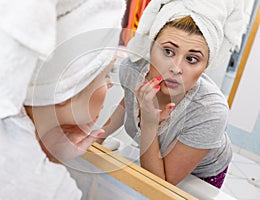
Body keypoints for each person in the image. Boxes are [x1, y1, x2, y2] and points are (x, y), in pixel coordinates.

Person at [0, 0, 125, 199]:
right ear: (69, 86)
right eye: (107, 73)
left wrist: (48, 150)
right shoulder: (48, 188)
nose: (110, 85)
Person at [100, 0, 246, 189]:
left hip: (202, 176)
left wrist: (149, 124)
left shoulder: (210, 111)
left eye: (192, 59)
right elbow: (128, 100)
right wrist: (97, 137)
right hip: (156, 159)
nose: (175, 68)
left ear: (205, 66)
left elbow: (160, 186)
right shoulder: (133, 69)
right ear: (151, 47)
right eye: (168, 51)